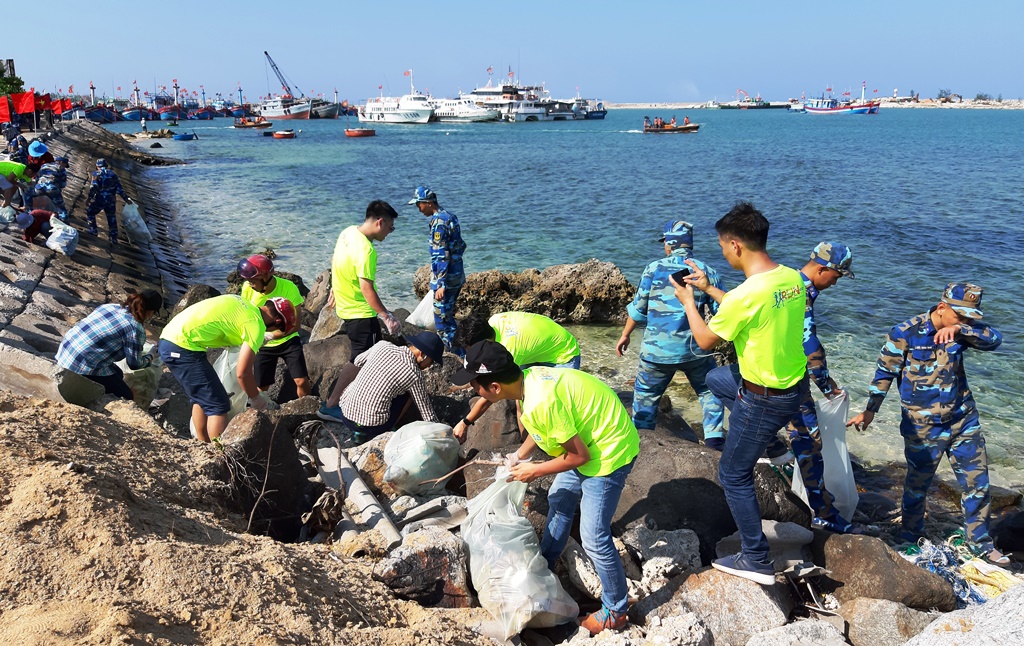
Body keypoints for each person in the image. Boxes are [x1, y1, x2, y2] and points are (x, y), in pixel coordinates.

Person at [453, 341, 639, 635]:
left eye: (477, 386)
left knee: (593, 536)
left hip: (609, 452)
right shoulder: (528, 381)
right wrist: (518, 457)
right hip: (589, 439)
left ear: (495, 387)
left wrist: (535, 470)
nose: (476, 392)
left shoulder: (541, 401)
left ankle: (615, 610)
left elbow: (579, 457)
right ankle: (547, 563)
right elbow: (543, 431)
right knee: (559, 499)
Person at [671, 201, 807, 585]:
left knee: (732, 474)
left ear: (735, 245)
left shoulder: (749, 294)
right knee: (717, 380)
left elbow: (703, 341)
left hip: (764, 397)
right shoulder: (790, 278)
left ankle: (757, 559)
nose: (721, 252)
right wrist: (709, 287)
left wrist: (688, 302)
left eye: (720, 246)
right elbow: (750, 305)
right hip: (794, 387)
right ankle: (772, 444)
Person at [847, 283, 1007, 564]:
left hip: (963, 419)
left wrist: (961, 329)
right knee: (917, 485)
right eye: (961, 316)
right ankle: (910, 536)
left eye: (970, 317)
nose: (966, 321)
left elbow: (994, 339)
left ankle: (980, 543)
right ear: (942, 307)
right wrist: (869, 411)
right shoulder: (905, 332)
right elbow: (884, 372)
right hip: (922, 426)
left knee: (977, 484)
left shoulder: (962, 330)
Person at [616, 220, 726, 448]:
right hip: (695, 350)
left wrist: (625, 335)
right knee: (709, 392)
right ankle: (715, 441)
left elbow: (638, 309)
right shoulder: (707, 272)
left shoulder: (653, 269)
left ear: (669, 243)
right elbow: (722, 311)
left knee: (646, 395)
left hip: (657, 351)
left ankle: (642, 445)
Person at [774, 242, 859, 533]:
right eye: (836, 276)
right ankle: (823, 513)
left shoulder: (783, 281)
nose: (835, 283)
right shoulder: (802, 293)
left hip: (762, 374)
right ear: (823, 269)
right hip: (789, 382)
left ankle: (774, 459)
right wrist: (826, 385)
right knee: (809, 444)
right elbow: (808, 344)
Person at [159, 294, 296, 442]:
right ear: (277, 321)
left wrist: (267, 337)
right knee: (219, 405)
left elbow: (234, 331)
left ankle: (202, 443)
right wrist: (256, 398)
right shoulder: (256, 325)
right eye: (280, 327)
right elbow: (242, 373)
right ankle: (218, 453)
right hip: (182, 347)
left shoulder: (243, 304)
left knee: (203, 397)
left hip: (171, 336)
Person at [452, 311, 581, 442]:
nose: (470, 353)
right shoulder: (492, 322)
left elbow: (492, 394)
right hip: (536, 348)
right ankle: (525, 445)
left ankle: (560, 446)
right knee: (520, 402)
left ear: (484, 342)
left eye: (470, 349)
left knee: (554, 407)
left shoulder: (509, 348)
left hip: (563, 353)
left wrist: (465, 422)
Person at [323, 332, 444, 443]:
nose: (429, 366)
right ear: (422, 354)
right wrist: (442, 433)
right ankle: (389, 429)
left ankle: (357, 430)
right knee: (408, 394)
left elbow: (358, 362)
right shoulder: (414, 374)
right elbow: (427, 414)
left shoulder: (382, 345)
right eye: (431, 361)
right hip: (373, 426)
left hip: (345, 414)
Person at [329, 200, 403, 362]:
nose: (389, 233)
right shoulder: (366, 250)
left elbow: (336, 259)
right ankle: (344, 388)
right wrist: (386, 316)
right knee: (362, 362)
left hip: (345, 311)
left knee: (362, 360)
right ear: (380, 222)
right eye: (390, 228)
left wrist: (334, 286)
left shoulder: (347, 233)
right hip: (361, 316)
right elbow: (366, 289)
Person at [55, 290, 163, 400]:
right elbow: (135, 364)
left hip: (65, 353)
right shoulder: (135, 329)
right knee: (127, 397)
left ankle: (98, 390)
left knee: (118, 374)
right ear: (150, 312)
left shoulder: (110, 307)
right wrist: (151, 356)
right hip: (81, 366)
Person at [238, 254, 310, 400]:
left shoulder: (289, 288)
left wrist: (270, 336)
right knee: (261, 387)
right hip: (262, 344)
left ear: (266, 276)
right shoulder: (247, 288)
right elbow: (246, 317)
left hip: (288, 340)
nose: (250, 284)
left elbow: (295, 325)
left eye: (253, 280)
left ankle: (308, 408)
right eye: (248, 280)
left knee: (301, 381)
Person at [409, 186, 467, 358]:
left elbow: (441, 255)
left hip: (446, 281)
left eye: (418, 204)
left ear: (428, 203)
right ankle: (461, 352)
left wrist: (440, 284)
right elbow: (460, 246)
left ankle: (460, 357)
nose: (418, 209)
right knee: (448, 317)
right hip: (456, 276)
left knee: (442, 322)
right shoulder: (450, 217)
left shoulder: (439, 222)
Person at [85, 158, 132, 241]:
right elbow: (119, 189)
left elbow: (94, 187)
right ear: (106, 165)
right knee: (111, 218)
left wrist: (89, 198)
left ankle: (94, 230)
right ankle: (114, 237)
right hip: (111, 200)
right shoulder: (113, 175)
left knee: (90, 212)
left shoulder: (96, 174)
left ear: (97, 166)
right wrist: (126, 199)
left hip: (100, 199)